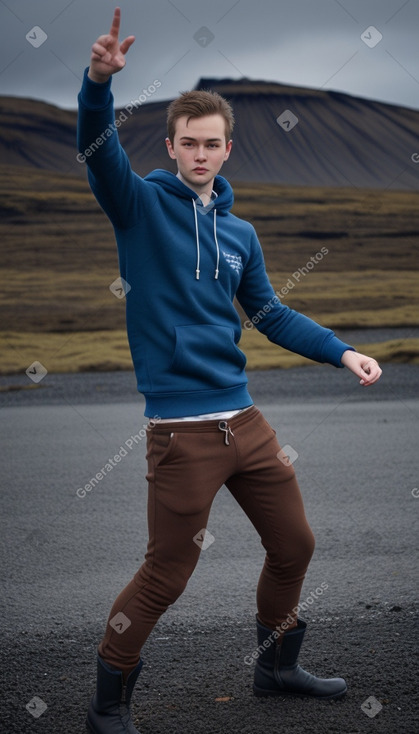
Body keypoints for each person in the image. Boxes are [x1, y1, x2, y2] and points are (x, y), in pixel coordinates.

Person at [78, 8, 382, 733]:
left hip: (244, 420)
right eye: (189, 144)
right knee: (166, 574)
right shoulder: (140, 207)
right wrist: (96, 84)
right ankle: (106, 705)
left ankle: (276, 668)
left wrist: (342, 350)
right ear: (172, 146)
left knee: (294, 544)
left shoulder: (240, 233)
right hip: (181, 432)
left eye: (212, 144)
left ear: (228, 148)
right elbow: (97, 153)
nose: (201, 154)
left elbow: (270, 314)